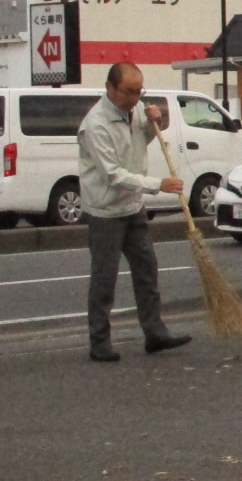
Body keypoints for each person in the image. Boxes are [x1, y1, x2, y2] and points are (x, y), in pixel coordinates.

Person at [78, 62, 190, 362]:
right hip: (105, 208)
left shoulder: (137, 109)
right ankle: (99, 340)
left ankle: (155, 333)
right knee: (105, 277)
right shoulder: (96, 124)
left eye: (139, 91)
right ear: (110, 88)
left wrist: (156, 121)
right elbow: (113, 175)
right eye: (128, 92)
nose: (134, 98)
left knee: (147, 269)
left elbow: (143, 138)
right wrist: (158, 185)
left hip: (133, 205)